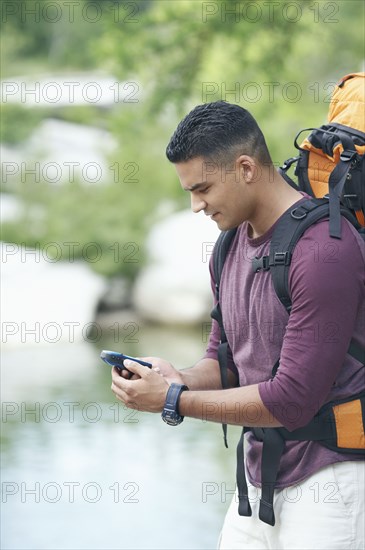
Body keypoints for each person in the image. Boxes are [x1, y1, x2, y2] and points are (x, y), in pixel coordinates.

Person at [111, 101, 365, 549]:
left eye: (203, 187)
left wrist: (173, 400)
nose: (195, 205)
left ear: (245, 167)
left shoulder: (325, 250)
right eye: (189, 191)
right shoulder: (229, 247)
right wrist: (178, 377)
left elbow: (291, 400)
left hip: (332, 482)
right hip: (258, 480)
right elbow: (226, 361)